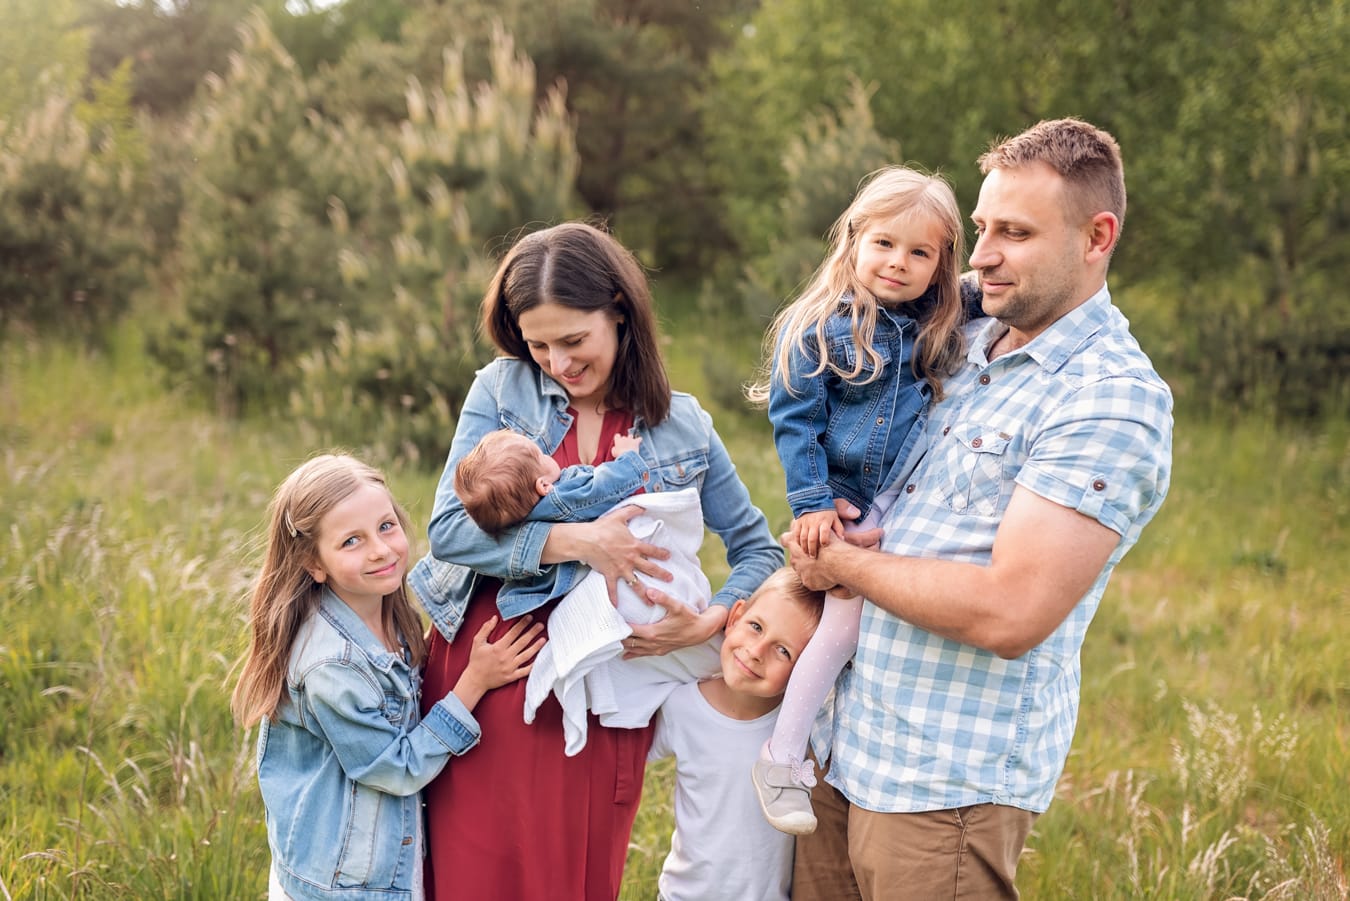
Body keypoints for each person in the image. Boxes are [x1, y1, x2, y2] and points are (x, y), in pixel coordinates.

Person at [783, 117, 1174, 900]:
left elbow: (1011, 611)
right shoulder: (963, 328)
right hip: (838, 747)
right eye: (982, 227)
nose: (985, 253)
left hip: (941, 785)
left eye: (1017, 232)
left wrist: (837, 560)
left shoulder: (1109, 397)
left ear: (1098, 236)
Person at [406, 221, 783, 900]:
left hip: (604, 690)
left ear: (618, 307)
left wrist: (707, 623)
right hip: (490, 671)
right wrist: (581, 543)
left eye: (574, 340)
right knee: (472, 874)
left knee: (572, 877)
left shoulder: (682, 425)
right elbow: (447, 532)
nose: (557, 361)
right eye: (539, 342)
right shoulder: (501, 392)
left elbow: (758, 548)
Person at [745, 166, 970, 835]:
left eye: (920, 252)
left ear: (940, 266)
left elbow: (989, 293)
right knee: (840, 628)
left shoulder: (940, 315)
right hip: (843, 503)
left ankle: (816, 742)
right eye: (884, 244)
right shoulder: (820, 326)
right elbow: (796, 419)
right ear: (853, 241)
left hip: (903, 499)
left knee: (861, 632)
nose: (898, 263)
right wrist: (812, 501)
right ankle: (781, 756)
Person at [229, 453, 544, 901]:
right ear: (313, 563)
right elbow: (395, 768)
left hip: (374, 856)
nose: (380, 549)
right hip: (343, 884)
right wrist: (474, 681)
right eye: (351, 541)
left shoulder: (388, 608)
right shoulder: (332, 667)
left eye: (386, 526)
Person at [454, 427, 723, 756]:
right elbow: (607, 486)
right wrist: (627, 456)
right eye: (541, 457)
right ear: (542, 485)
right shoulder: (563, 495)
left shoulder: (516, 524)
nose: (547, 454)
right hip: (623, 582)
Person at [648, 568, 826, 901]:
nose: (757, 651)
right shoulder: (681, 706)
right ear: (736, 617)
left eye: (783, 651)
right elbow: (617, 758)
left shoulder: (800, 728)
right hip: (683, 895)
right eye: (756, 627)